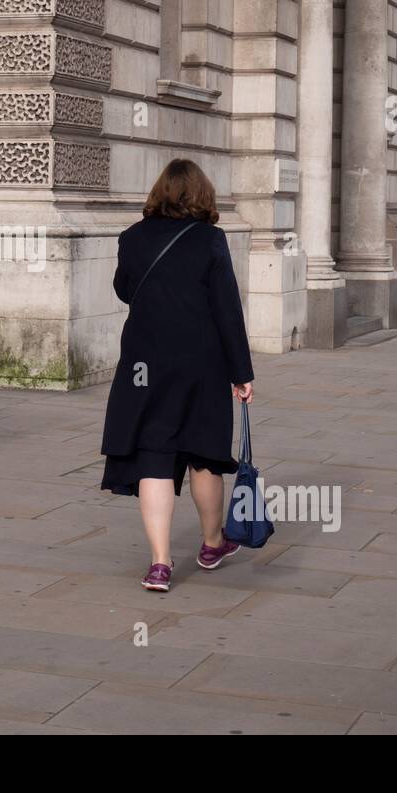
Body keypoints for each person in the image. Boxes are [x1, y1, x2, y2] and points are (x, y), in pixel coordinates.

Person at [100, 158, 254, 592]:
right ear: (202, 194)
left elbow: (124, 289)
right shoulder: (210, 240)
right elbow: (227, 308)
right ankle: (211, 544)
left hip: (144, 365)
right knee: (204, 452)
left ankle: (160, 565)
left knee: (154, 453)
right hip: (201, 363)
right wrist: (241, 372)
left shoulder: (132, 237)